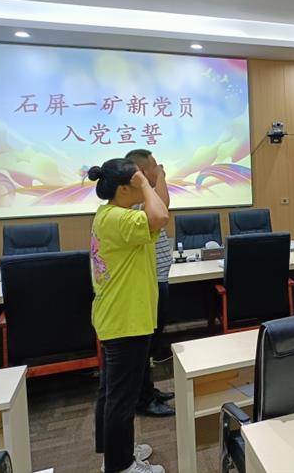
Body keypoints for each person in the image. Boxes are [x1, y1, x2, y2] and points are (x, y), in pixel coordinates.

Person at [89, 158, 168, 473]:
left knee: (111, 392)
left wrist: (152, 181)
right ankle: (121, 466)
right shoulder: (121, 219)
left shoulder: (110, 215)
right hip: (126, 320)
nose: (142, 185)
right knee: (121, 397)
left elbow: (159, 212)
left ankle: (114, 452)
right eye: (136, 181)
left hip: (118, 316)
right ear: (123, 189)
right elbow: (160, 215)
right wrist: (147, 183)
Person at [125, 149, 175, 418]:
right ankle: (143, 399)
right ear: (143, 171)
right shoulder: (135, 201)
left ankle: (148, 390)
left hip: (158, 278)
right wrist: (162, 177)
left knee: (152, 342)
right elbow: (163, 209)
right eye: (156, 165)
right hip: (149, 282)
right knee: (145, 345)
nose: (160, 168)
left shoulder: (143, 198)